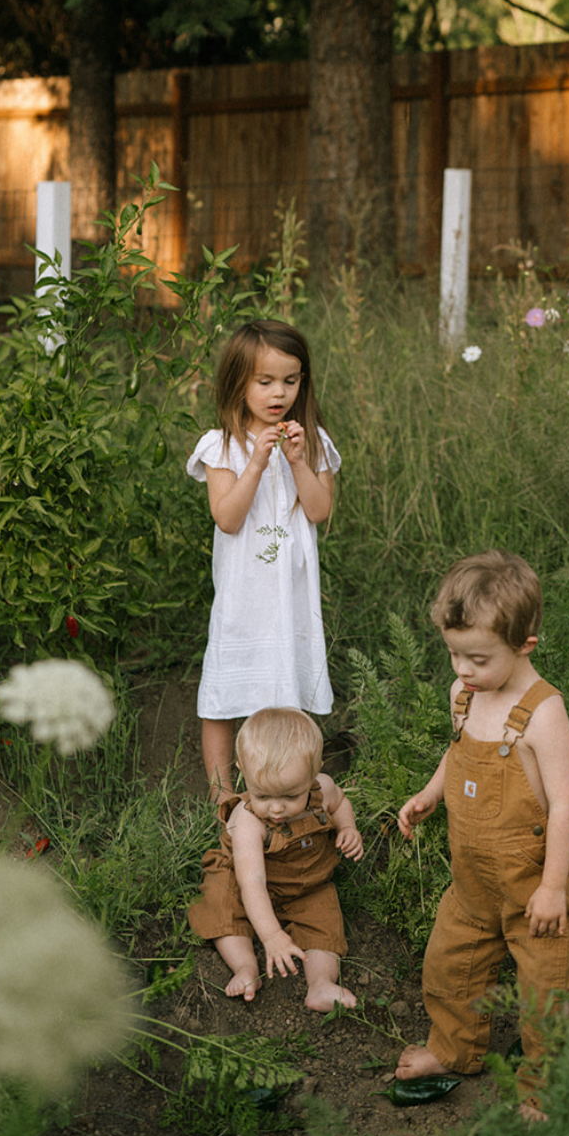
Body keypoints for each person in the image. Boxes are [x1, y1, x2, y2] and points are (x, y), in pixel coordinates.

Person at [393, 552, 569, 1117]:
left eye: (477, 657)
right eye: (453, 653)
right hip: (473, 875)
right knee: (451, 965)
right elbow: (457, 757)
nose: (462, 669)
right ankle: (454, 1048)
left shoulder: (543, 713)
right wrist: (431, 792)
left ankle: (546, 1085)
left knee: (546, 988)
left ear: (525, 644)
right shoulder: (465, 695)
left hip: (534, 881)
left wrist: (552, 887)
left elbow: (566, 804)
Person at [186, 320, 340, 807]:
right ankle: (223, 800)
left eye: (290, 381)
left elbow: (318, 510)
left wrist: (295, 460)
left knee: (286, 687)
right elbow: (227, 518)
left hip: (289, 599)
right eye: (265, 381)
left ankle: (287, 792)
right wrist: (255, 462)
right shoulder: (222, 445)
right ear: (238, 382)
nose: (279, 394)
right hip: (242, 597)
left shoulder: (311, 440)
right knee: (224, 692)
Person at [187, 707, 363, 1010]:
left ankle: (320, 983)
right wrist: (271, 936)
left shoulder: (324, 789)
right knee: (222, 905)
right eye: (263, 796)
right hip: (243, 880)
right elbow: (252, 882)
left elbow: (341, 802)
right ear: (243, 771)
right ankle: (245, 967)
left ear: (313, 773)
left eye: (290, 797)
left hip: (306, 883)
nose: (276, 809)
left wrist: (348, 828)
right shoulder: (248, 821)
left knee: (324, 923)